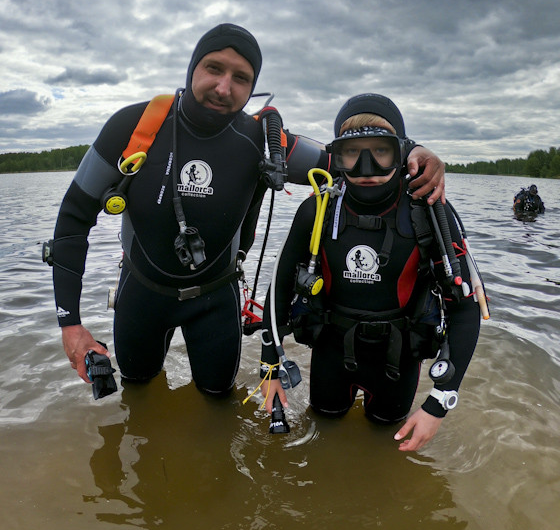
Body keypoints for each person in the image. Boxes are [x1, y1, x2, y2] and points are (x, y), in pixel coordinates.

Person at [47, 24, 445, 395]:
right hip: (142, 295)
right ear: (192, 70)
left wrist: (415, 151)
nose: (224, 87)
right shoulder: (133, 127)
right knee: (138, 395)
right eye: (214, 69)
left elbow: (351, 161)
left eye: (241, 78)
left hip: (216, 301)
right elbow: (73, 219)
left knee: (219, 402)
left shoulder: (261, 141)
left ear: (252, 86)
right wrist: (71, 325)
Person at [259, 93, 481, 451]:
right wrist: (270, 366)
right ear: (337, 156)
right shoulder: (317, 210)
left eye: (380, 151)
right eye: (353, 152)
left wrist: (440, 401)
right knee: (323, 435)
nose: (366, 167)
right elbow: (279, 291)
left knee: (385, 440)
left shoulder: (430, 213)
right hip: (331, 349)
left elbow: (465, 310)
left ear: (401, 151)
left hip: (399, 358)